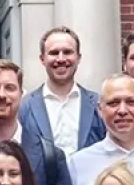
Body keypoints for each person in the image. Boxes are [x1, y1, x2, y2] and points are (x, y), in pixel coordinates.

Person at [19, 26, 104, 157]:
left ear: (78, 57)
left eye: (67, 52)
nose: (61, 59)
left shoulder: (98, 104)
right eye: (53, 53)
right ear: (42, 59)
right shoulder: (25, 107)